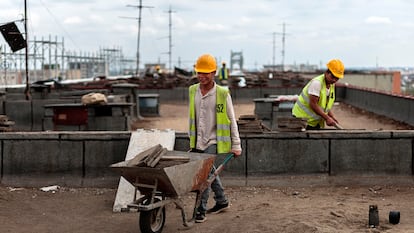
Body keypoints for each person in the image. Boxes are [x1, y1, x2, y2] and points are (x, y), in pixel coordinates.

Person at [188, 54, 242, 223]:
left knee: (204, 175)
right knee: (210, 173)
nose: (202, 76)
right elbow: (193, 116)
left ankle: (200, 210)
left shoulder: (222, 93)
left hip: (213, 141)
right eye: (199, 73)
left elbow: (231, 119)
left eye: (206, 73)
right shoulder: (192, 91)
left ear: (214, 73)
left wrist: (236, 144)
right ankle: (222, 200)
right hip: (197, 140)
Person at [292, 59, 345, 130]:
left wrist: (331, 117)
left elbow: (324, 105)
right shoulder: (317, 83)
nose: (334, 80)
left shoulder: (331, 85)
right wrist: (327, 118)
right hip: (302, 120)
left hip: (313, 122)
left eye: (337, 78)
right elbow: (313, 104)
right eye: (333, 77)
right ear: (326, 72)